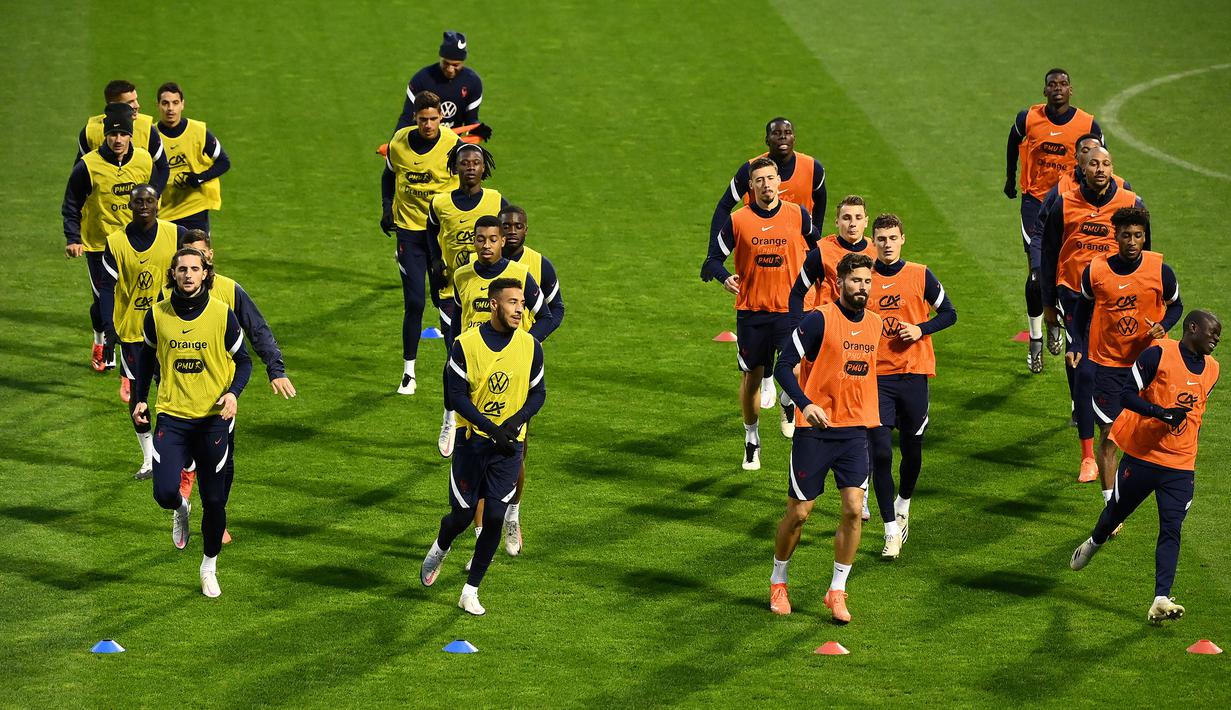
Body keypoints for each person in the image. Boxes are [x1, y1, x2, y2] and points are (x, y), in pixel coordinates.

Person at [1070, 310, 1221, 625]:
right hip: (1143, 456)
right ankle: (1095, 541)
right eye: (1212, 332)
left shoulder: (1213, 370)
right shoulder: (1158, 354)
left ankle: (1160, 598)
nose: (1216, 339)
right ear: (1192, 328)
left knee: (1171, 527)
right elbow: (1126, 395)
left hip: (1180, 466)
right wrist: (1160, 413)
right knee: (1115, 514)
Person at [419, 278, 546, 615]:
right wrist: (492, 428)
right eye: (512, 302)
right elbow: (456, 397)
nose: (520, 308)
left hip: (508, 447)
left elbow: (539, 393)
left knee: (493, 516)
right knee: (460, 517)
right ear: (494, 305)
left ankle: (470, 590)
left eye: (522, 302)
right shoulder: (465, 344)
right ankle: (442, 546)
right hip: (472, 444)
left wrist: (514, 423)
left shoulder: (532, 346)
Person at [131, 248, 252, 597]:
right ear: (172, 273)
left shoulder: (221, 314)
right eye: (181, 269)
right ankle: (181, 508)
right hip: (173, 415)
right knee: (165, 492)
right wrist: (140, 397)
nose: (187, 274)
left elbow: (243, 361)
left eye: (194, 269)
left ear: (205, 274)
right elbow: (145, 358)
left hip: (213, 420)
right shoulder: (156, 315)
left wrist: (233, 394)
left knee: (215, 502)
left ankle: (208, 567)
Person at [769, 253, 881, 623]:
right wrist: (805, 404)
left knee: (853, 510)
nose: (862, 288)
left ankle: (837, 591)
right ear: (840, 282)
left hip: (854, 433)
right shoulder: (819, 320)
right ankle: (778, 580)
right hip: (814, 433)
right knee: (799, 513)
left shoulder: (876, 325)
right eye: (855, 281)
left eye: (867, 281)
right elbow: (782, 366)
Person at [176, 230, 296, 542]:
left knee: (225, 464)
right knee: (193, 447)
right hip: (182, 390)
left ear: (209, 258)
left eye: (199, 257)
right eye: (186, 258)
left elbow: (257, 329)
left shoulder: (229, 290)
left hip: (222, 393)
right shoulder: (169, 295)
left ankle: (214, 516)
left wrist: (276, 369)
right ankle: (186, 473)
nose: (192, 266)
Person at [702, 157, 818, 471]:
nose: (766, 184)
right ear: (750, 187)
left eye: (770, 178)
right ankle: (751, 437)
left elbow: (820, 250)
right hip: (752, 313)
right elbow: (711, 261)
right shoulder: (739, 221)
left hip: (790, 311)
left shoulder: (798, 215)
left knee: (795, 369)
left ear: (779, 180)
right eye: (759, 180)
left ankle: (785, 400)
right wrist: (723, 276)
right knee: (751, 378)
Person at [1040, 146, 1145, 482]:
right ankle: (1088, 457)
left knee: (1123, 372)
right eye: (1094, 164)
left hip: (1115, 301)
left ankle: (1130, 438)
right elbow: (1049, 252)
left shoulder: (1130, 202)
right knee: (1084, 373)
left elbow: (1145, 256)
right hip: (1074, 297)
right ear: (1082, 168)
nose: (1101, 169)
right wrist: (1046, 303)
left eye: (1107, 164)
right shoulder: (1064, 203)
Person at [712, 118, 828, 410]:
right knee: (757, 367)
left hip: (794, 263)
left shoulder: (812, 171)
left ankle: (788, 403)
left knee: (796, 357)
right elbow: (725, 205)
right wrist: (714, 258)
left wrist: (818, 252)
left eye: (787, 132)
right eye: (776, 133)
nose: (782, 137)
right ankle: (766, 382)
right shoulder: (748, 184)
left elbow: (819, 209)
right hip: (756, 294)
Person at [1066, 207, 1180, 504]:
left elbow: (1177, 306)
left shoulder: (1160, 270)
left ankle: (1164, 487)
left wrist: (1163, 325)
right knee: (1110, 432)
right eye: (1126, 235)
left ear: (1145, 238)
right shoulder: (1096, 270)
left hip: (1151, 364)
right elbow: (1081, 312)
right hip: (1110, 364)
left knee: (1159, 431)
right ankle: (1110, 504)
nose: (1132, 241)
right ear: (1115, 235)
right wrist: (1076, 344)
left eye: (1138, 236)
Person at [863, 214, 957, 558]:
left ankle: (903, 505)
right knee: (881, 451)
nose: (887, 244)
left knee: (912, 449)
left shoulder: (920, 274)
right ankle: (890, 529)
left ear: (903, 239)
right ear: (874, 242)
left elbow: (949, 313)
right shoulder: (864, 278)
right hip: (876, 378)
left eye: (892, 237)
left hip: (914, 374)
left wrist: (920, 329)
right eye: (881, 238)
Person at [1005, 69, 1101, 374]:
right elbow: (1012, 140)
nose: (1057, 89)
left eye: (1062, 84)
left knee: (1069, 273)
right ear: (1044, 90)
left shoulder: (1088, 124)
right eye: (1051, 84)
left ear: (1071, 90)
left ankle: (1057, 320)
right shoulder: (1028, 118)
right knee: (1036, 275)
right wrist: (1010, 178)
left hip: (1071, 206)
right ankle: (1036, 340)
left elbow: (1102, 162)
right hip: (1035, 203)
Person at [96, 184, 188, 477]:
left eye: (150, 200)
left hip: (171, 330)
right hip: (134, 333)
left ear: (158, 203)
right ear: (130, 205)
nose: (145, 206)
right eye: (139, 202)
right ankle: (149, 458)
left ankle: (182, 451)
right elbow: (106, 290)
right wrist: (109, 330)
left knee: (178, 388)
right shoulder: (115, 242)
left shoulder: (176, 234)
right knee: (139, 395)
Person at [62, 103, 156, 372]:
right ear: (105, 135)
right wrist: (72, 238)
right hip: (98, 245)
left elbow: (151, 199)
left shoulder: (143, 160)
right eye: (113, 134)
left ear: (130, 135)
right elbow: (71, 204)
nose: (117, 140)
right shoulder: (88, 166)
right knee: (103, 301)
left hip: (134, 242)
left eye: (123, 134)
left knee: (134, 299)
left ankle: (131, 365)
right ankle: (102, 341)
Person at [427, 143, 506, 456]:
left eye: (475, 162)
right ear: (455, 167)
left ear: (483, 167)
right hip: (453, 293)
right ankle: (451, 415)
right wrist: (435, 264)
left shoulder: (496, 200)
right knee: (454, 356)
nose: (470, 167)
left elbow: (511, 237)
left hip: (489, 292)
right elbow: (429, 234)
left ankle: (484, 412)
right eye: (464, 162)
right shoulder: (441, 203)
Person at [381, 91, 461, 394]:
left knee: (446, 303)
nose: (428, 124)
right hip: (410, 232)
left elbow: (469, 179)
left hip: (442, 235)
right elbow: (388, 175)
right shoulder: (399, 142)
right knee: (414, 302)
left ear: (441, 117)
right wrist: (386, 206)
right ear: (415, 118)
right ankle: (408, 372)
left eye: (433, 119)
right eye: (423, 119)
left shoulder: (452, 144)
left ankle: (455, 373)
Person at [497, 204, 566, 556]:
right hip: (483, 365)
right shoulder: (483, 267)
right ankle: (482, 532)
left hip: (521, 369)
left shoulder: (538, 266)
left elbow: (557, 312)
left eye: (517, 226)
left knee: (516, 447)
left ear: (526, 230)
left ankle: (512, 513)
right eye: (505, 225)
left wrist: (529, 341)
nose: (511, 231)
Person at [154, 82, 231, 232]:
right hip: (164, 211)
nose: (170, 109)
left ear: (182, 104)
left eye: (175, 103)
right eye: (165, 103)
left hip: (195, 207)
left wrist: (200, 177)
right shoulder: (151, 135)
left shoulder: (198, 131)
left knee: (198, 254)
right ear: (158, 105)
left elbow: (224, 162)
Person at [394, 31, 490, 141]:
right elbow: (407, 116)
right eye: (446, 63)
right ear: (440, 58)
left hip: (449, 144)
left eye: (455, 65)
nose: (450, 69)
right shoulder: (422, 79)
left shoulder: (473, 82)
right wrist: (394, 144)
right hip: (420, 143)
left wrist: (477, 130)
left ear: (463, 61)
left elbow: (471, 119)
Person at [75, 79, 170, 190]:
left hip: (138, 205)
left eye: (136, 100)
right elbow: (78, 175)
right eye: (130, 102)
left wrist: (153, 195)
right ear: (113, 105)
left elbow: (163, 168)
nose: (137, 105)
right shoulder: (90, 132)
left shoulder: (147, 129)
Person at [789, 195, 875, 315]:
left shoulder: (877, 251)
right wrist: (796, 328)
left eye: (858, 218)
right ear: (837, 222)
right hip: (830, 327)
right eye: (846, 218)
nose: (852, 224)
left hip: (867, 327)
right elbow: (797, 293)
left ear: (866, 222)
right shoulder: (822, 252)